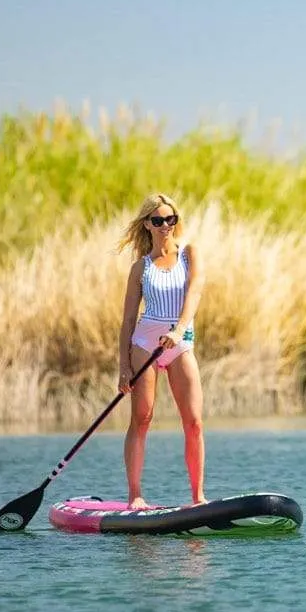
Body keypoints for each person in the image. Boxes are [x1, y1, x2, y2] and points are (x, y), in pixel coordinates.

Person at [115, 193, 207, 508]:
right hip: (144, 345)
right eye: (158, 221)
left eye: (171, 219)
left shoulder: (189, 254)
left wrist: (179, 329)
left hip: (179, 344)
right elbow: (128, 320)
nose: (165, 225)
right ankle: (135, 495)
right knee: (142, 417)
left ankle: (197, 497)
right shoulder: (140, 268)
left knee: (194, 421)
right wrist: (124, 366)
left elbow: (194, 292)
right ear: (147, 226)